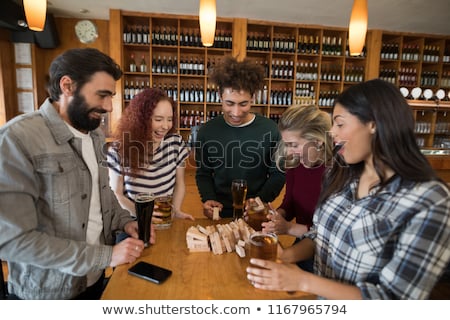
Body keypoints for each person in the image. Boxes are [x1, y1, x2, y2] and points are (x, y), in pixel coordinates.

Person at [247, 79, 450, 299]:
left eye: (340, 124)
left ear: (374, 123)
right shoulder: (344, 176)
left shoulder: (430, 201)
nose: (331, 133)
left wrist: (303, 280)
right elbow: (319, 236)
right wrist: (283, 258)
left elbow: (396, 301)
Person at [0, 48, 154, 300]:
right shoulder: (17, 139)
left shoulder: (94, 135)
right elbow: (13, 241)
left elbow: (102, 197)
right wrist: (106, 256)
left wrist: (125, 222)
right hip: (45, 295)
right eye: (102, 95)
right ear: (67, 86)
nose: (108, 107)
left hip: (94, 281)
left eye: (111, 96)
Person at [195, 56, 285, 219]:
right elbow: (204, 173)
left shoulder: (271, 130)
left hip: (256, 211)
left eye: (243, 104)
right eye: (229, 103)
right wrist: (208, 198)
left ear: (253, 97)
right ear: (220, 96)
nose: (236, 112)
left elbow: (278, 174)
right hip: (219, 212)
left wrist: (260, 201)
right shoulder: (206, 132)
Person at [259, 105, 332, 272]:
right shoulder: (294, 164)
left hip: (329, 255)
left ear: (318, 140)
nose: (290, 152)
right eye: (286, 145)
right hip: (302, 244)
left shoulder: (337, 172)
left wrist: (289, 228)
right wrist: (278, 216)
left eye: (294, 145)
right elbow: (290, 202)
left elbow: (330, 232)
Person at [107, 88, 194, 221]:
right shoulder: (119, 150)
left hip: (164, 219)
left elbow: (179, 183)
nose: (165, 126)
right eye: (158, 119)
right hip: (132, 222)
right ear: (140, 120)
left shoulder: (176, 144)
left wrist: (175, 210)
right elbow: (116, 194)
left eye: (169, 119)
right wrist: (142, 214)